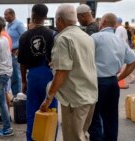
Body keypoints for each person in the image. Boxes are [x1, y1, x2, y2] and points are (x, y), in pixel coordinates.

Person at [40, 4, 98, 141]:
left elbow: (62, 73)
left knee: (73, 137)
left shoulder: (63, 38)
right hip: (90, 95)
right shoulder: (86, 37)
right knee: (82, 134)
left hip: (74, 99)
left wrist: (48, 99)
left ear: (59, 20)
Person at [88, 13, 135, 141]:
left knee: (93, 118)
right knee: (111, 118)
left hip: (97, 82)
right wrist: (119, 78)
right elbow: (134, 62)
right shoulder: (120, 40)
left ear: (103, 21)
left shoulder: (95, 37)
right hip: (112, 82)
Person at [17, 4, 58, 141]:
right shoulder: (53, 34)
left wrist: (24, 81)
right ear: (46, 17)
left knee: (32, 113)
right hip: (49, 76)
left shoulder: (24, 36)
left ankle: (32, 139)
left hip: (32, 76)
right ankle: (50, 138)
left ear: (33, 16)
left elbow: (22, 63)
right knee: (50, 110)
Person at [4, 8, 25, 98]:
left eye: (6, 15)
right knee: (11, 75)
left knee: (16, 75)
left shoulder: (18, 24)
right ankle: (14, 95)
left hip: (15, 52)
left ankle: (18, 96)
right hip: (9, 53)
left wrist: (18, 48)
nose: (4, 17)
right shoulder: (8, 25)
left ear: (12, 15)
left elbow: (24, 37)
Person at [115, 17, 135, 84]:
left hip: (120, 48)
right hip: (125, 47)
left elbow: (116, 39)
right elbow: (126, 39)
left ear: (117, 22)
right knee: (123, 65)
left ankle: (131, 76)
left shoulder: (118, 29)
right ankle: (128, 77)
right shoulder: (123, 28)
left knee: (121, 65)